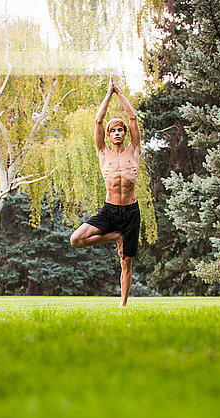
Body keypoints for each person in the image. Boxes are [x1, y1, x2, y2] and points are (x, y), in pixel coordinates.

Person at [70, 73, 141, 307]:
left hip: (130, 211)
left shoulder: (134, 150)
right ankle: (114, 236)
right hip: (110, 211)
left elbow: (133, 116)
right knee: (76, 239)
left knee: (126, 260)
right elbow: (98, 122)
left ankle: (122, 305)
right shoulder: (103, 152)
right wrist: (108, 94)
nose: (118, 132)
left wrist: (119, 91)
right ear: (109, 136)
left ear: (125, 133)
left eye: (121, 130)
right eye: (114, 130)